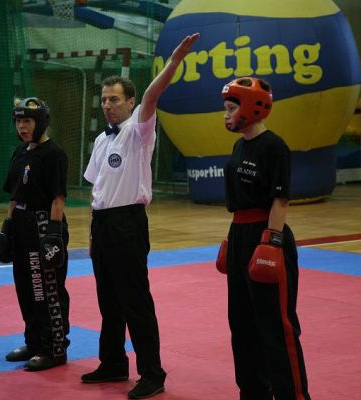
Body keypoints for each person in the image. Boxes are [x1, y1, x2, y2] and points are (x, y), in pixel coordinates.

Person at [81, 33, 200, 399]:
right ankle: (113, 362)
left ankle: (152, 373)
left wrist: (174, 62)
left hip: (128, 224)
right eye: (104, 99)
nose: (108, 105)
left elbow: (152, 95)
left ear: (130, 102)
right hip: (103, 224)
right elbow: (98, 191)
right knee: (108, 301)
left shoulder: (138, 131)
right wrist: (92, 233)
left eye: (115, 99)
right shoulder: (101, 140)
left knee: (135, 301)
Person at [221, 77, 312, 400]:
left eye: (231, 108)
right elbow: (240, 201)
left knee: (276, 326)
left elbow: (280, 200)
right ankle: (254, 393)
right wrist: (231, 241)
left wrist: (271, 242)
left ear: (251, 108)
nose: (225, 115)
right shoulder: (239, 146)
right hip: (240, 234)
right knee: (242, 325)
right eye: (225, 108)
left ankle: (293, 396)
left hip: (267, 234)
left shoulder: (274, 146)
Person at [0, 97, 70, 371]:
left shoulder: (54, 154)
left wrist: (53, 236)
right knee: (25, 287)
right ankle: (34, 341)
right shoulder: (19, 152)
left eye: (27, 121)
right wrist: (6, 227)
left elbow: (58, 198)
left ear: (40, 122)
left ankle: (53, 348)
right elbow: (14, 195)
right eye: (18, 121)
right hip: (21, 225)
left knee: (45, 289)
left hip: (43, 225)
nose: (22, 126)